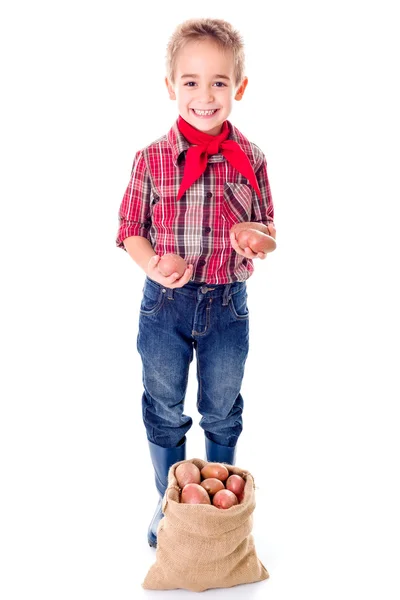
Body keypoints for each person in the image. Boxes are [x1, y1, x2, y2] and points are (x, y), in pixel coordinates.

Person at [116, 18, 276, 548]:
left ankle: (218, 510)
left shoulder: (251, 160)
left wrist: (253, 239)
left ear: (240, 88)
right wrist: (153, 264)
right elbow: (129, 231)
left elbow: (269, 230)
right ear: (170, 87)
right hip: (164, 305)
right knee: (163, 404)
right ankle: (171, 506)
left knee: (222, 406)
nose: (204, 96)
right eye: (190, 81)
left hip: (228, 305)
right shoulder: (151, 159)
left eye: (219, 82)